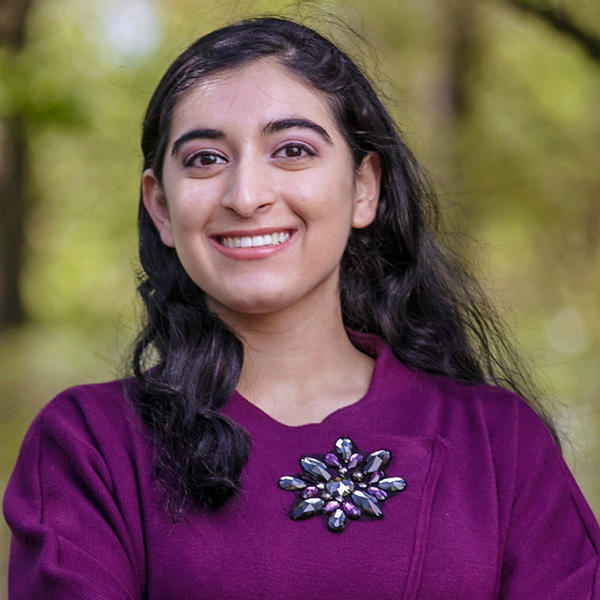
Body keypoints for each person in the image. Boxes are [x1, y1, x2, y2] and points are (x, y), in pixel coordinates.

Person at [4, 16, 599, 600]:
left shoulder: (498, 440)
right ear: (161, 206)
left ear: (364, 188)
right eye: (206, 159)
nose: (246, 196)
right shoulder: (91, 445)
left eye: (291, 150)